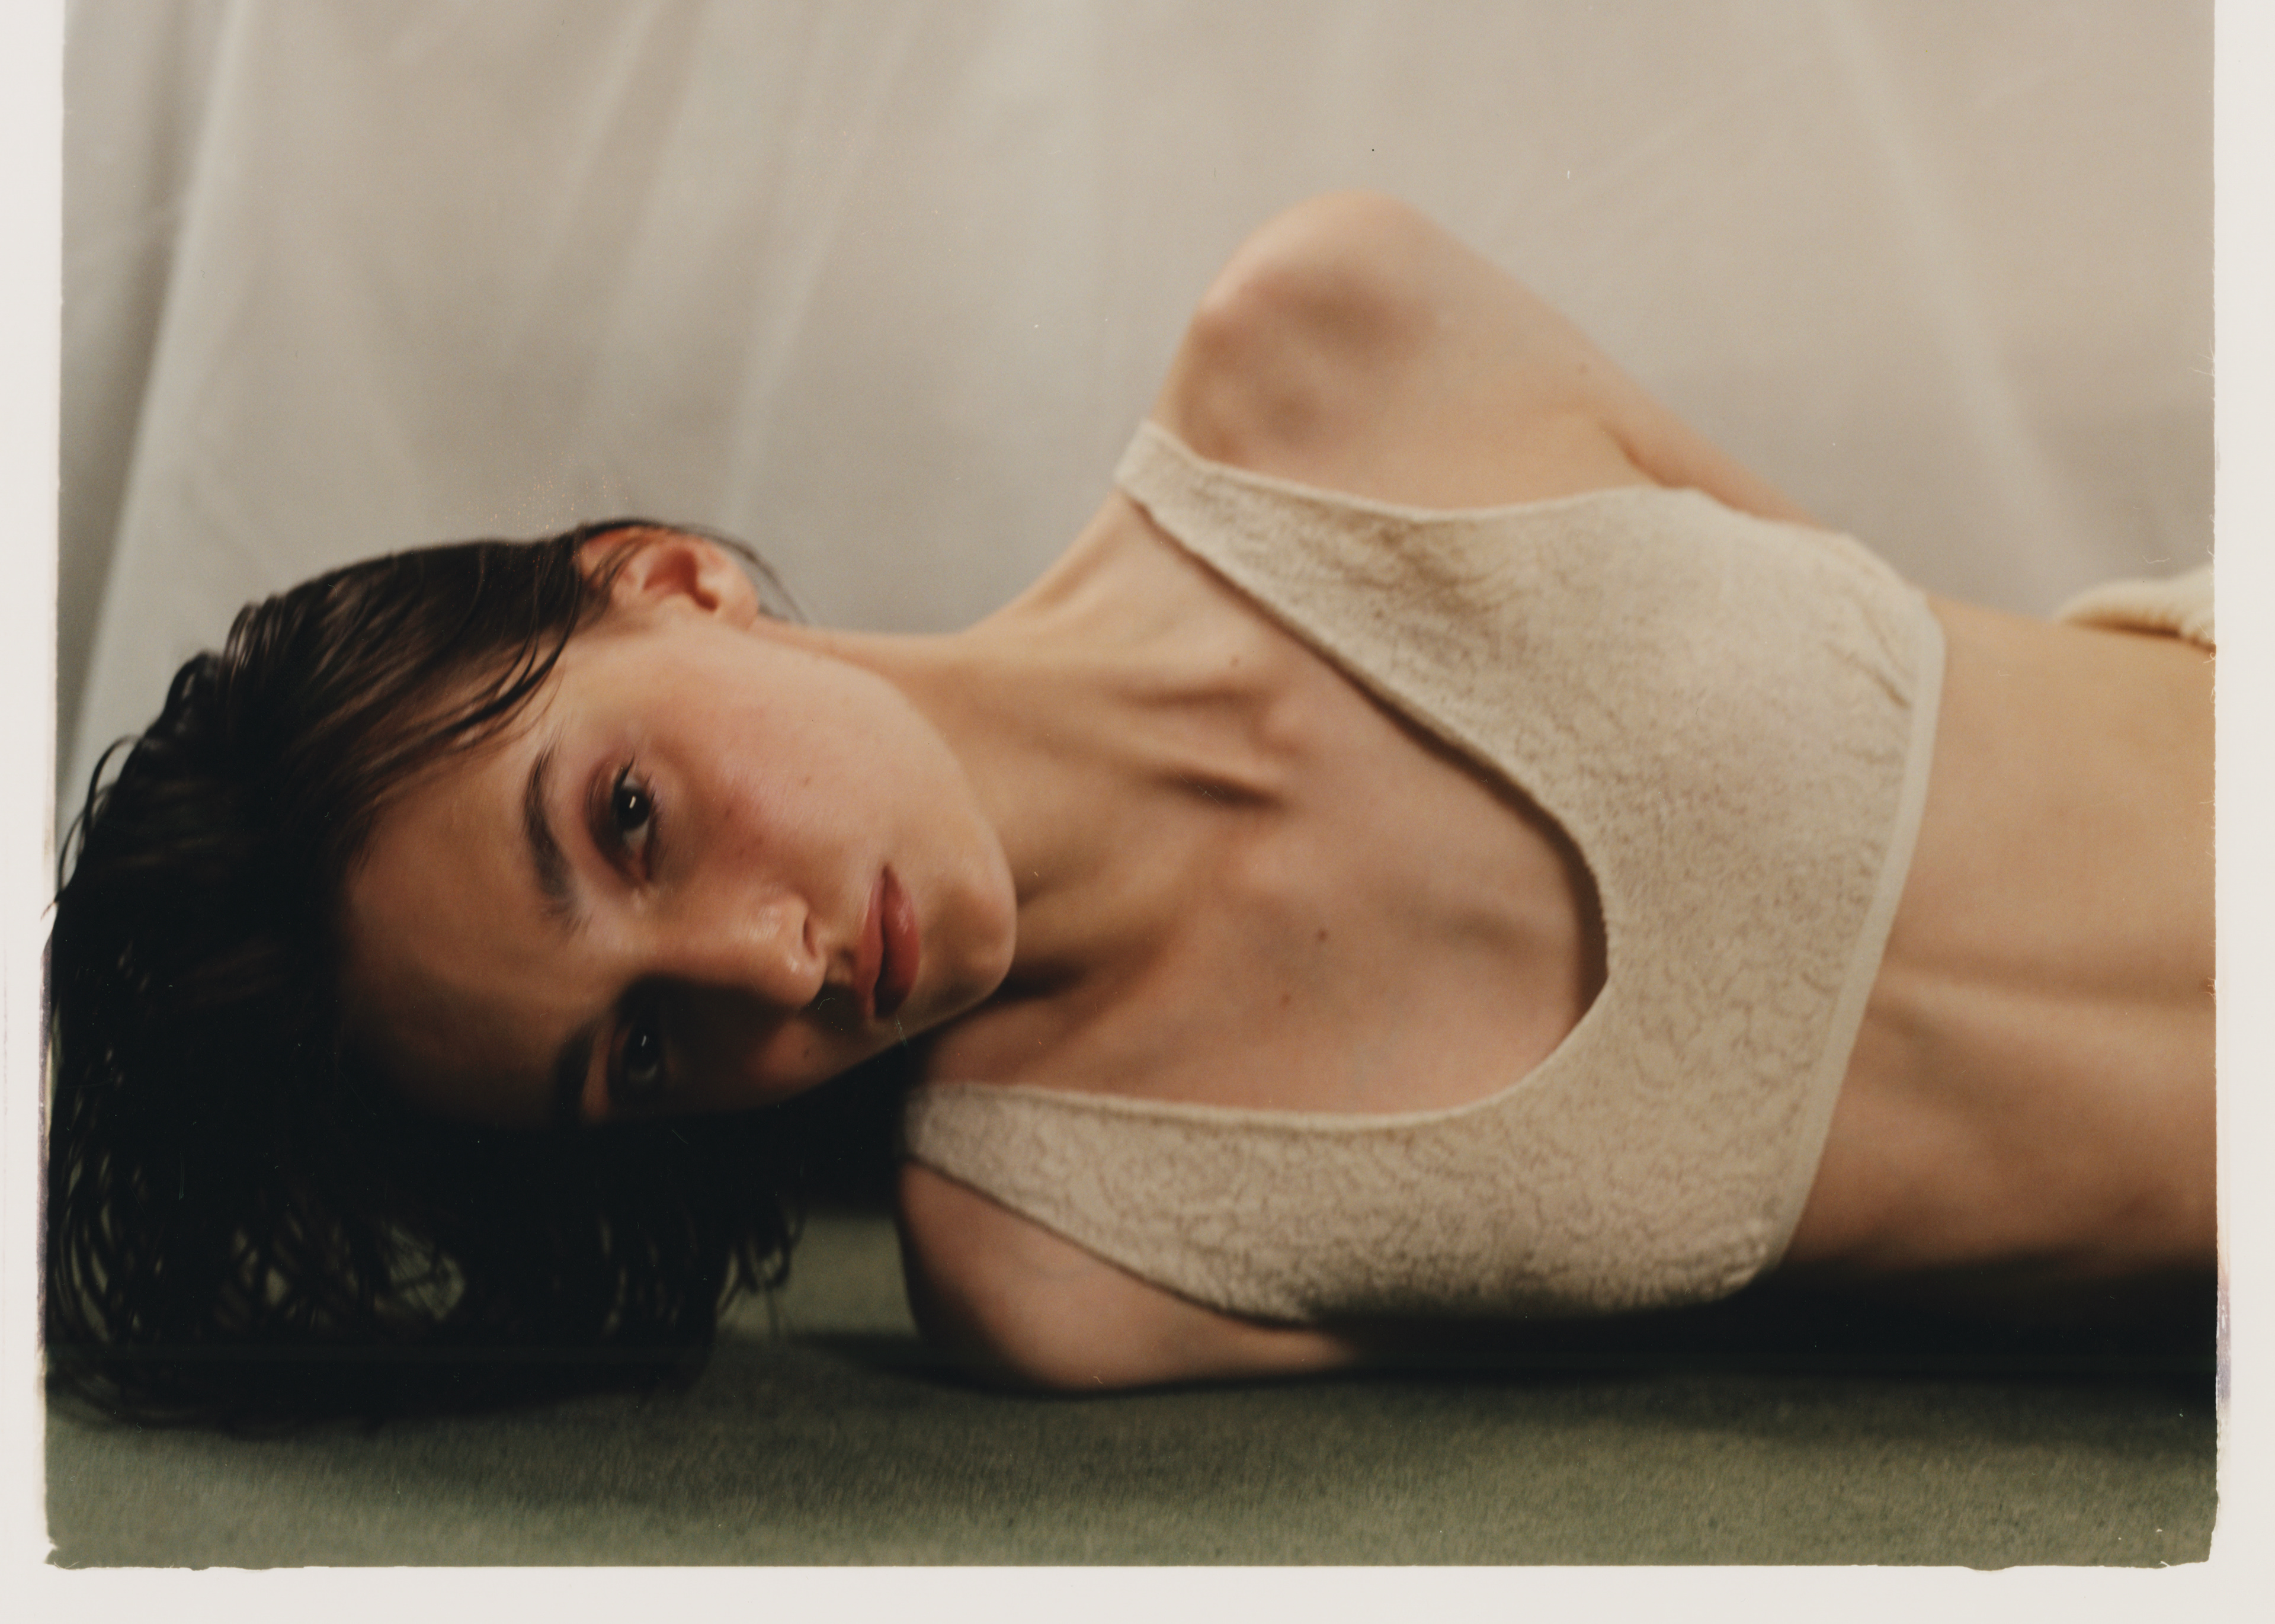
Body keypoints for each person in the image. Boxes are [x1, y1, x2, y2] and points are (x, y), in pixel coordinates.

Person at [47, 194, 2214, 1422]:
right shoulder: (1067, 1259)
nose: (766, 969)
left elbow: (1927, 645)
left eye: (626, 818)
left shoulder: (1331, 353)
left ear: (669, 579)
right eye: (636, 1054)